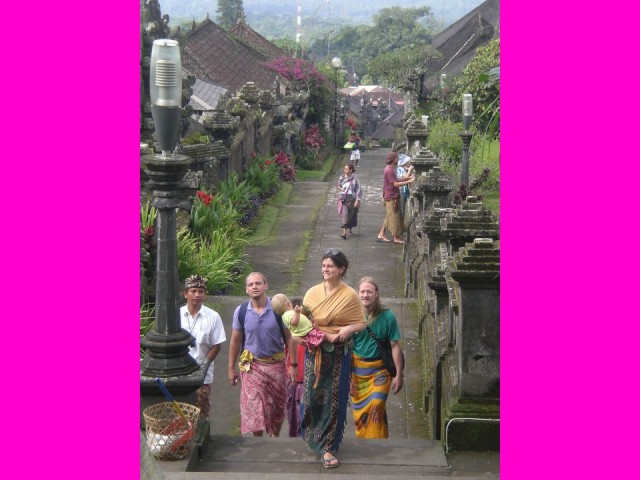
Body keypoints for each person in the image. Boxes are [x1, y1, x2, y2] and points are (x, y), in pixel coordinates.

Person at [300, 249, 367, 468]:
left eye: (330, 266)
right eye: (323, 266)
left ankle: (329, 447)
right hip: (316, 351)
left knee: (334, 399)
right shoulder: (312, 293)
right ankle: (313, 435)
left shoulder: (350, 295)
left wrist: (348, 329)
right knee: (311, 394)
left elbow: (361, 322)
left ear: (341, 269)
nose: (325, 270)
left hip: (338, 353)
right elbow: (305, 322)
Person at [227, 272, 297, 437]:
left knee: (279, 408)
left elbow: (290, 337)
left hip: (276, 365)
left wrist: (293, 365)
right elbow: (235, 340)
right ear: (246, 289)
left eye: (258, 283)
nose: (254, 287)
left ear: (266, 286)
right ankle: (258, 442)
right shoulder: (241, 311)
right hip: (252, 366)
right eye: (251, 285)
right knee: (253, 408)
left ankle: (275, 436)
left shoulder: (277, 309)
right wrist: (231, 368)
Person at [350, 277, 404, 438]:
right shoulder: (353, 316)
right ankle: (374, 441)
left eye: (369, 291)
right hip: (358, 371)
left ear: (376, 294)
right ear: (358, 294)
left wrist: (399, 375)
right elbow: (347, 348)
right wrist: (348, 377)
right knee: (361, 415)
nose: (365, 295)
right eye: (362, 291)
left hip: (380, 370)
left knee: (376, 404)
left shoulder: (388, 317)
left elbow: (395, 346)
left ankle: (373, 443)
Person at [180, 274, 227, 421]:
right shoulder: (176, 315)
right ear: (185, 294)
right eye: (193, 291)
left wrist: (204, 366)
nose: (197, 295)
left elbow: (216, 345)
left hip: (202, 374)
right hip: (179, 372)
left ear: (205, 295)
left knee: (200, 412)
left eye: (201, 292)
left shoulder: (213, 316)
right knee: (180, 412)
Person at [377, 151, 416, 244]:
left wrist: (408, 178)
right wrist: (409, 182)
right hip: (391, 197)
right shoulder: (389, 170)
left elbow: (397, 179)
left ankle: (381, 233)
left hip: (391, 195)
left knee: (389, 216)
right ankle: (396, 237)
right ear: (393, 159)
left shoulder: (391, 168)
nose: (398, 159)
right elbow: (395, 184)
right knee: (395, 217)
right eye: (397, 158)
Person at [336, 163, 362, 239]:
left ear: (351, 170)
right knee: (345, 215)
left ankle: (350, 228)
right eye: (344, 169)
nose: (345, 170)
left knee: (352, 215)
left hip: (352, 199)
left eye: (347, 169)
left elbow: (358, 189)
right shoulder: (342, 177)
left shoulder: (355, 178)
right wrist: (341, 189)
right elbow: (338, 185)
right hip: (343, 198)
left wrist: (357, 200)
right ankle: (344, 232)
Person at [396, 154, 414, 223]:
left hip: (402, 190)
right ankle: (400, 223)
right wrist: (409, 170)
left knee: (402, 207)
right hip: (401, 190)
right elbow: (405, 177)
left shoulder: (404, 169)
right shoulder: (400, 169)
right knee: (401, 207)